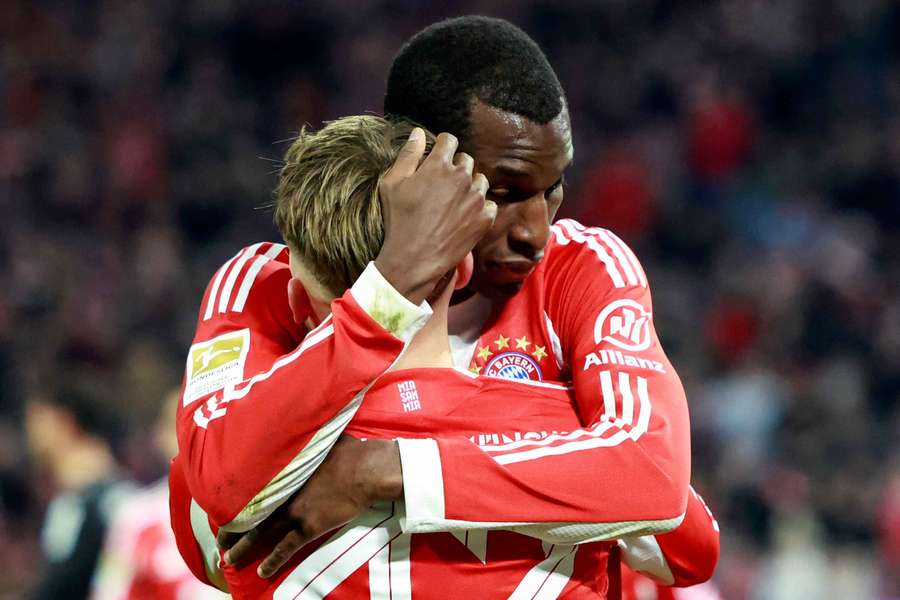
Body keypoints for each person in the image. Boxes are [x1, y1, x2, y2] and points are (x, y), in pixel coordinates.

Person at [173, 16, 717, 598]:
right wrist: (392, 292)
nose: (537, 230)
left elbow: (660, 494)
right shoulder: (268, 277)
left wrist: (387, 470)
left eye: (553, 188)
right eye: (505, 192)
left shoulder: (580, 267)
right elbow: (209, 484)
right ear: (420, 165)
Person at [90, 390, 228, 600]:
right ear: (161, 437)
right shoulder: (136, 517)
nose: (193, 433)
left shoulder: (250, 504)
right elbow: (110, 592)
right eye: (181, 423)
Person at [25, 381, 131, 600]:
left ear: (65, 422)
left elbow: (61, 585)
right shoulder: (121, 495)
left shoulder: (83, 504)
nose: (30, 433)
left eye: (37, 421)